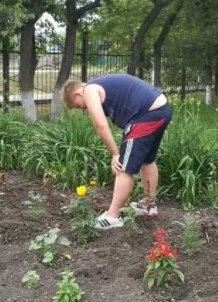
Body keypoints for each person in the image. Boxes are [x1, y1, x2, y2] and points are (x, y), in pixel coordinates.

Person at [62, 74, 172, 229]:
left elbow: (100, 125)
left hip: (145, 115)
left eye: (79, 106)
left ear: (77, 94)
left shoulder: (89, 90)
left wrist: (115, 154)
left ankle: (113, 216)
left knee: (124, 167)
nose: (84, 109)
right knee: (147, 160)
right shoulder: (101, 84)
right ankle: (149, 206)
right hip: (162, 110)